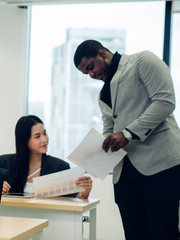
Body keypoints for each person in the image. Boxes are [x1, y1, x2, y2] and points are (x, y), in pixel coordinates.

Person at [74, 39, 180, 240]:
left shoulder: (143, 61)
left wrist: (128, 134)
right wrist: (100, 148)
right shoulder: (102, 93)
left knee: (163, 233)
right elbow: (109, 128)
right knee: (134, 234)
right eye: (86, 73)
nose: (91, 75)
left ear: (102, 54)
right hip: (124, 175)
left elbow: (165, 101)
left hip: (160, 166)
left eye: (90, 67)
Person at [0, 115, 92, 199]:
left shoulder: (60, 167)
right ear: (24, 140)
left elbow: (72, 200)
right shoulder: (3, 163)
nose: (44, 139)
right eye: (37, 136)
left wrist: (84, 193)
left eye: (45, 133)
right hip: (12, 218)